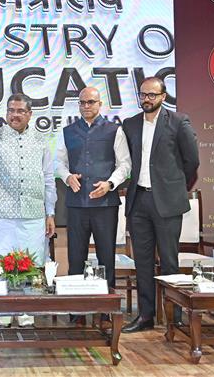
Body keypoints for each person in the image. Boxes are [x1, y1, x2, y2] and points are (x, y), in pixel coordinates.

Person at [121, 77, 199, 333]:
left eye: (152, 95)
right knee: (142, 262)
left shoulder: (178, 122)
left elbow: (192, 162)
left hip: (166, 202)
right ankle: (145, 316)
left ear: (163, 97)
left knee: (169, 261)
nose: (147, 99)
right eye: (143, 95)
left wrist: (173, 187)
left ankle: (174, 317)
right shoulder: (130, 124)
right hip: (138, 200)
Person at [0, 93, 56, 328]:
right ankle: (3, 311)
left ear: (29, 114)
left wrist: (50, 213)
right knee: (2, 265)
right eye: (11, 110)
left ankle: (26, 312)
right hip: (3, 215)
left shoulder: (41, 141)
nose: (14, 115)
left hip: (33, 215)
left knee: (29, 265)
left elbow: (49, 179)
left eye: (20, 111)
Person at [55, 86, 131, 319]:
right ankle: (76, 309)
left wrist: (110, 183)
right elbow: (58, 163)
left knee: (106, 257)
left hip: (105, 205)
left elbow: (125, 164)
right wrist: (67, 177)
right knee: (75, 257)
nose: (86, 106)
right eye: (82, 102)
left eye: (91, 102)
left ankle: (105, 309)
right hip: (76, 205)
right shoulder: (67, 131)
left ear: (100, 104)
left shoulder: (114, 130)